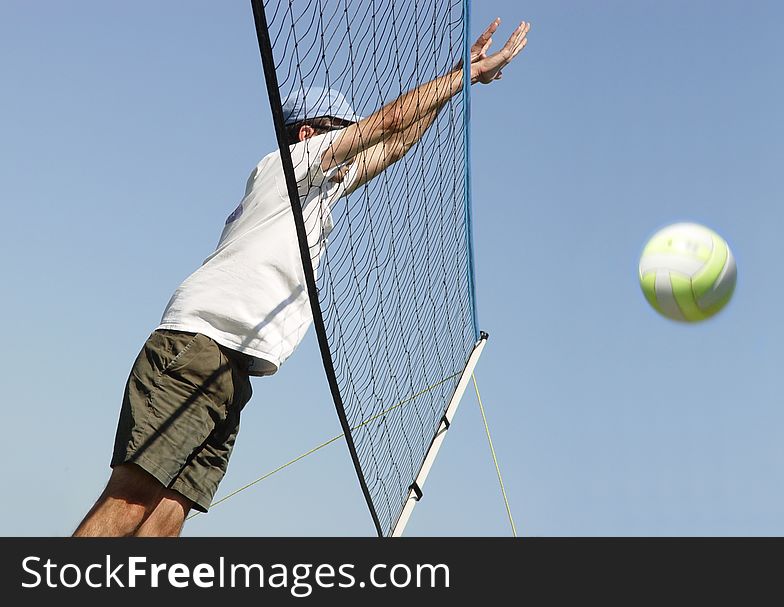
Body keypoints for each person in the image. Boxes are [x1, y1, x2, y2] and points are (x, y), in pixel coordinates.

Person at [73, 18, 529, 537]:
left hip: (231, 367)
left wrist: (455, 77)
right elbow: (383, 125)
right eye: (343, 130)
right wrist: (464, 76)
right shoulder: (292, 162)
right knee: (132, 502)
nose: (353, 144)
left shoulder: (319, 188)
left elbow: (394, 144)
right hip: (199, 346)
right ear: (310, 133)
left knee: (165, 520)